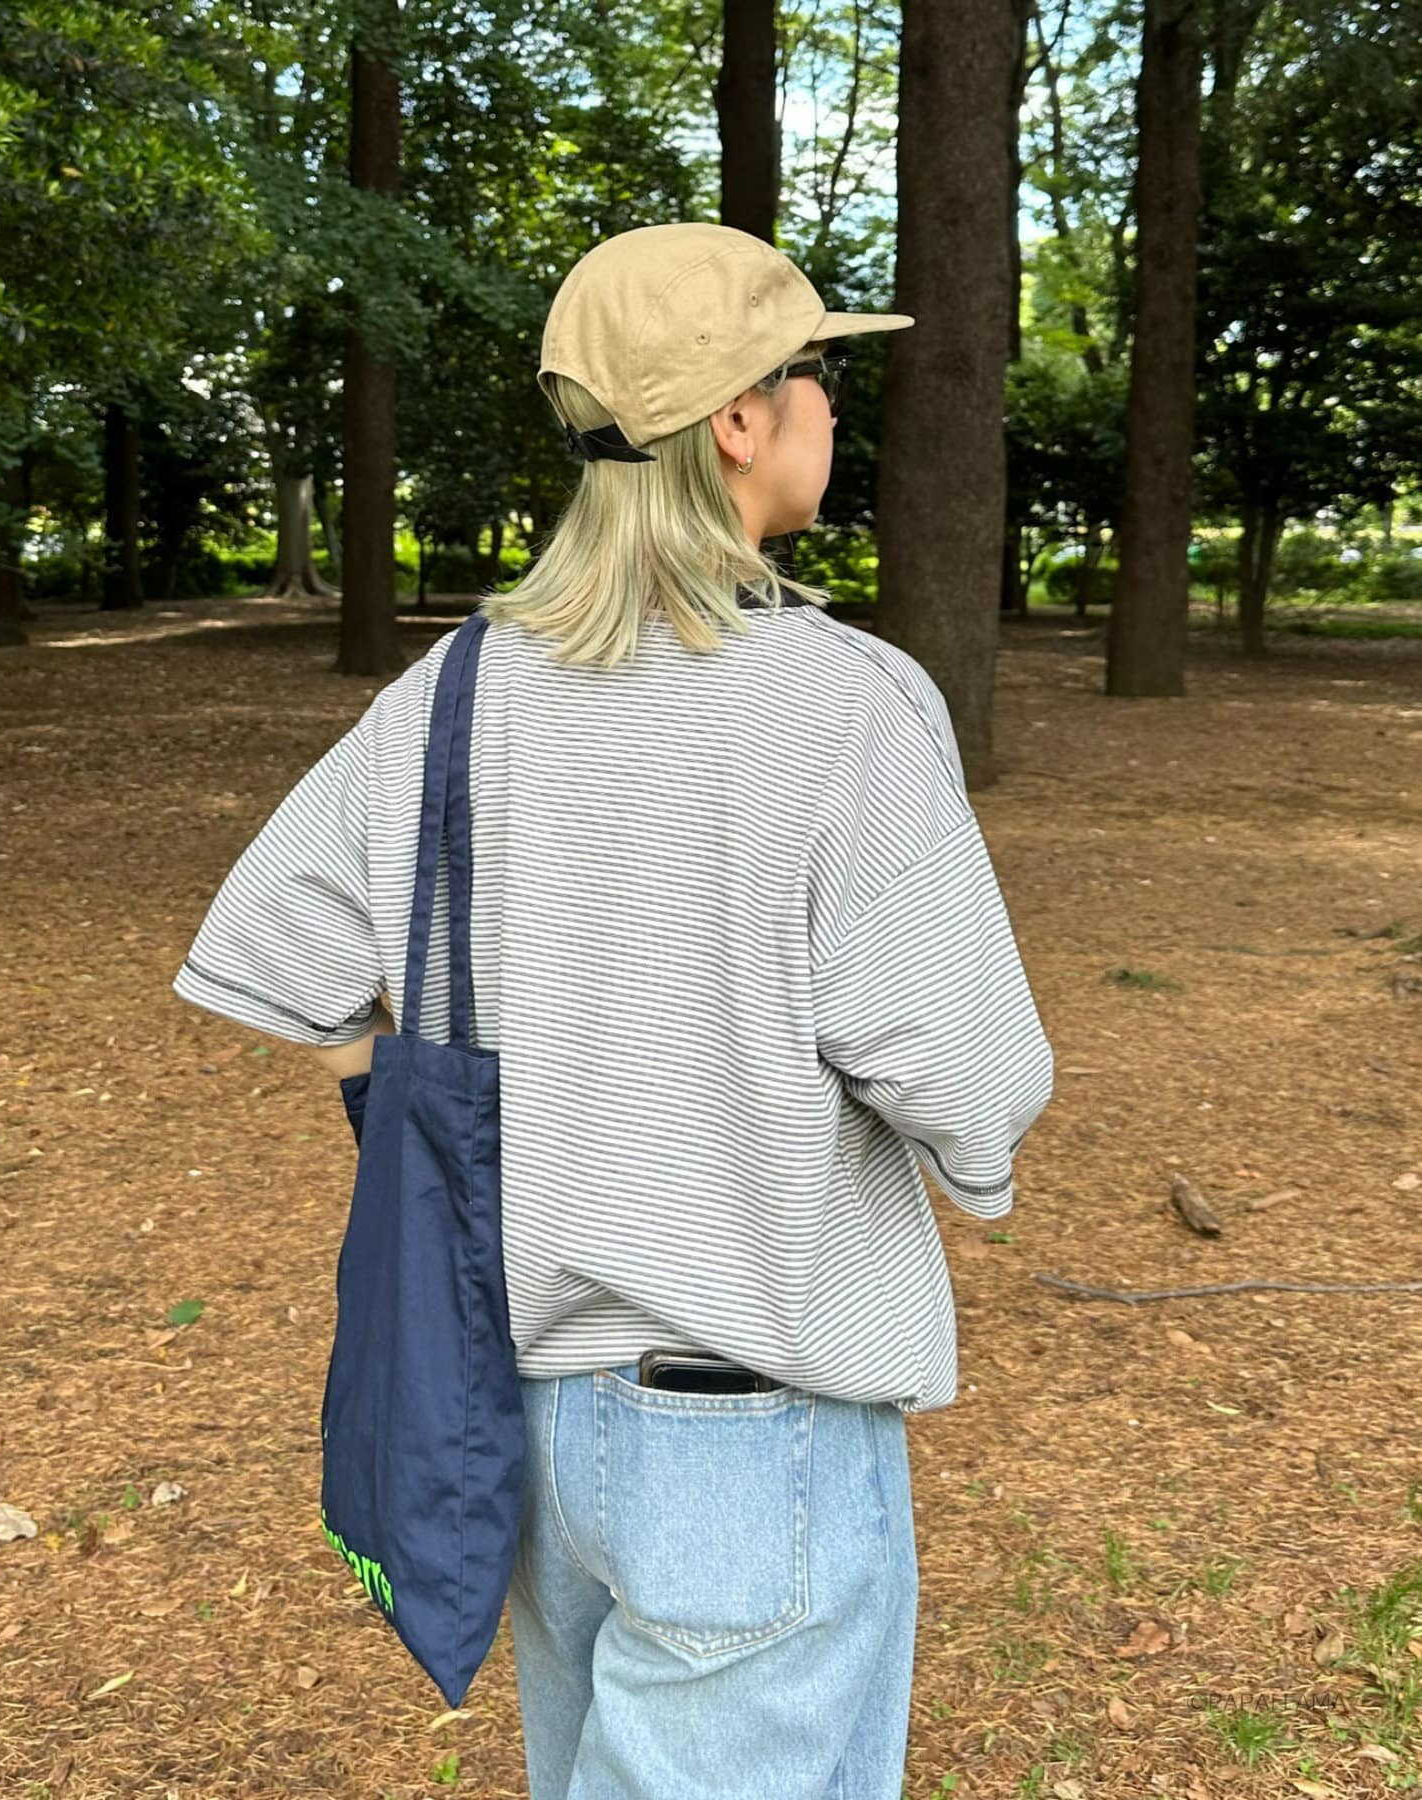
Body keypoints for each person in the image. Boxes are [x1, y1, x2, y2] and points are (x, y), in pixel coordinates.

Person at [171, 221, 1055, 1800]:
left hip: (526, 1423)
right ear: (741, 420)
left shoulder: (452, 691)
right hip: (754, 1429)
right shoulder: (842, 702)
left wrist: (480, 1111)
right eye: (816, 375)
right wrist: (967, 1164)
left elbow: (276, 951)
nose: (832, 407)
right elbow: (962, 1071)